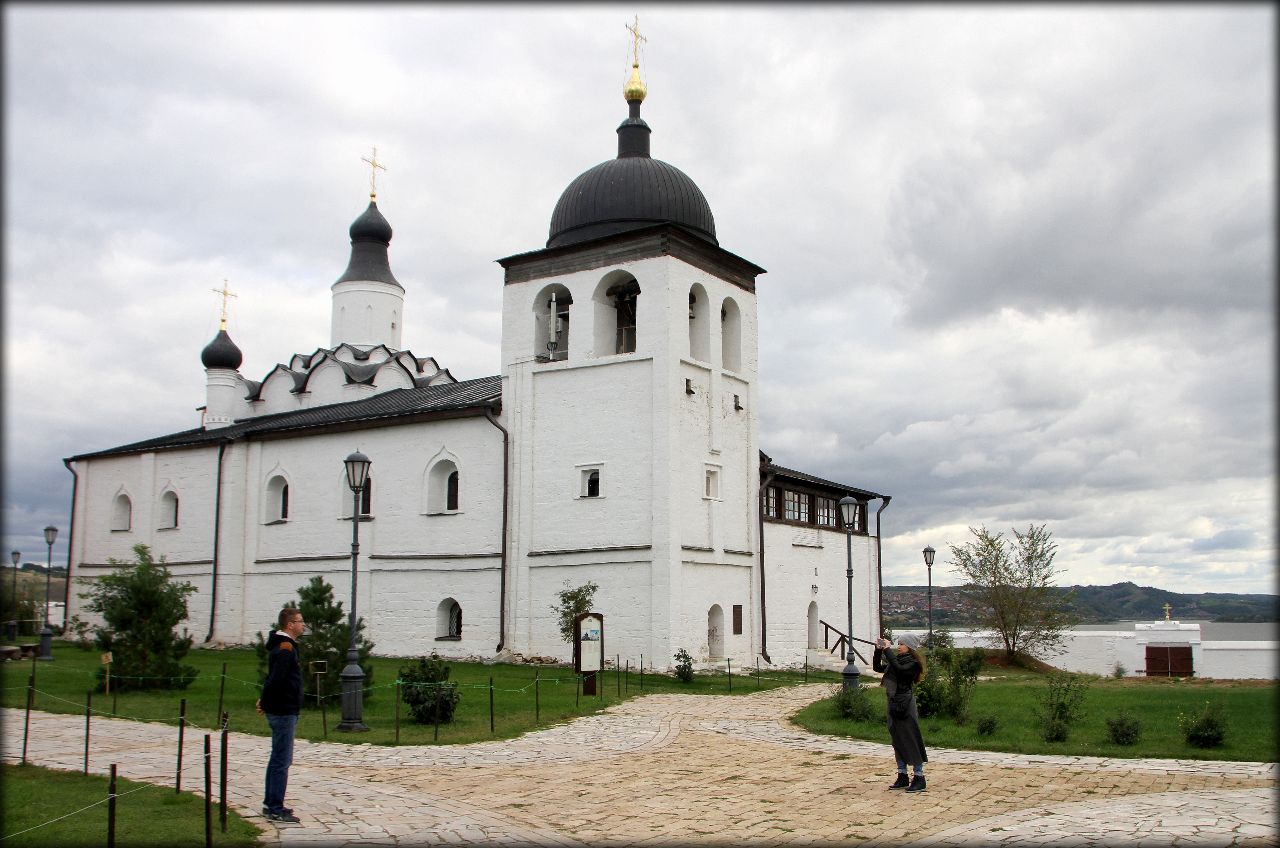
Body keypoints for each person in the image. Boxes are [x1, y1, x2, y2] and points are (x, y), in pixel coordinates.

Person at [257, 607, 305, 823]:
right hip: (283, 710)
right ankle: (275, 806)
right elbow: (277, 679)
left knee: (278, 757)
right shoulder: (286, 648)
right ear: (290, 625)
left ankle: (271, 802)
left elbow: (272, 679)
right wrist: (266, 701)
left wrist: (263, 699)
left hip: (283, 707)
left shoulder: (284, 646)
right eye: (300, 621)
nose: (303, 625)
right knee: (281, 760)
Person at [874, 632, 929, 793]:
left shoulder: (912, 664)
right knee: (897, 739)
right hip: (893, 700)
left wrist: (887, 650)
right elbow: (878, 668)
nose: (899, 647)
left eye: (902, 644)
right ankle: (902, 774)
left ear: (909, 646)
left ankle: (919, 776)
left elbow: (900, 670)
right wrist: (879, 650)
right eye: (898, 644)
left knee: (911, 737)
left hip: (905, 703)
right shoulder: (896, 660)